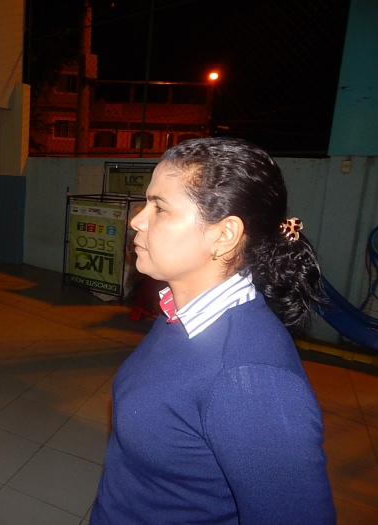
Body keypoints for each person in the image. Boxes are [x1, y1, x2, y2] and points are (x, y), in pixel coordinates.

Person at [91, 137, 335, 524]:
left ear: (224, 235)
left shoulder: (251, 381)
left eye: (160, 208)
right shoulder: (180, 315)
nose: (137, 219)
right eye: (146, 203)